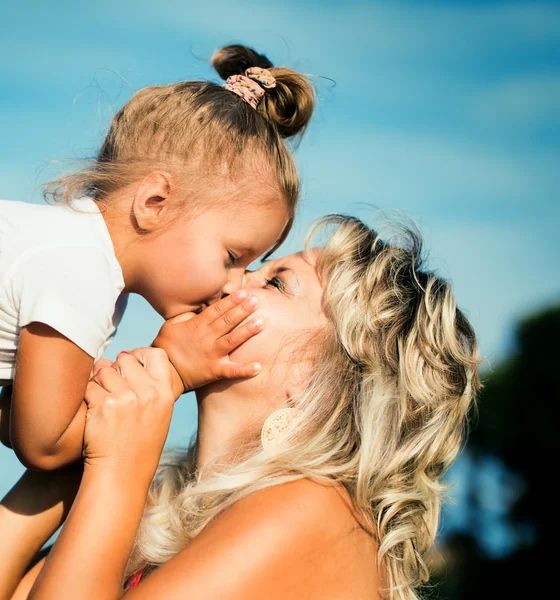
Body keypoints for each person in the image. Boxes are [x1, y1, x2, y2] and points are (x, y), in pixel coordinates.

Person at [1, 214, 481, 600]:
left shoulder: (315, 511)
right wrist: (73, 440)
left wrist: (118, 465)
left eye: (275, 283)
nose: (231, 282)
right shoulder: (162, 507)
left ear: (321, 377)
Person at [0, 43, 315, 471]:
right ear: (154, 202)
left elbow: (16, 418)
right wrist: (171, 372)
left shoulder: (71, 248)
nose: (236, 283)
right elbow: (44, 445)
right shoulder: (82, 273)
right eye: (231, 256)